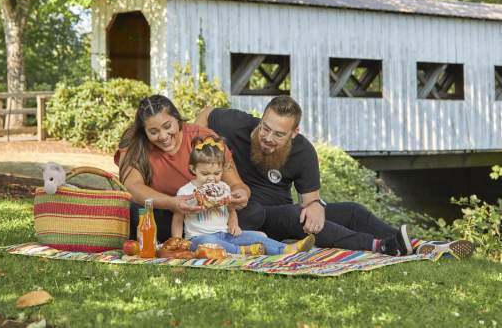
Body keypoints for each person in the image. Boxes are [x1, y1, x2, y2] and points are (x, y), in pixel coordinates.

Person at [196, 95, 475, 258]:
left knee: (349, 210)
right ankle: (381, 246)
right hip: (248, 214)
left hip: (281, 210)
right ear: (261, 119)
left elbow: (311, 202)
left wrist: (315, 206)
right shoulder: (235, 123)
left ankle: (419, 245)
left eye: (279, 134)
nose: (268, 138)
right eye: (265, 128)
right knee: (292, 215)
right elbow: (205, 114)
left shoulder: (303, 151)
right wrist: (204, 152)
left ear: (294, 133)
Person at [115, 95, 250, 243]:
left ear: (177, 119)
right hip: (166, 213)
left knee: (254, 212)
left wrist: (241, 193)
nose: (163, 136)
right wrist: (172, 203)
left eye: (167, 127)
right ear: (144, 132)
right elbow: (132, 187)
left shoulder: (203, 139)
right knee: (135, 211)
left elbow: (236, 184)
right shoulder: (134, 144)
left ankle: (215, 237)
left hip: (209, 213)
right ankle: (195, 240)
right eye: (153, 132)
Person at [171, 135, 315, 256]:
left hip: (226, 234)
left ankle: (288, 249)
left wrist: (233, 223)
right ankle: (241, 251)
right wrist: (178, 243)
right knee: (207, 243)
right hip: (199, 238)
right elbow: (178, 218)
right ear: (193, 169)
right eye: (205, 174)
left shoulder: (223, 187)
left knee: (257, 237)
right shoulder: (185, 192)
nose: (211, 178)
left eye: (217, 173)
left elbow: (231, 209)